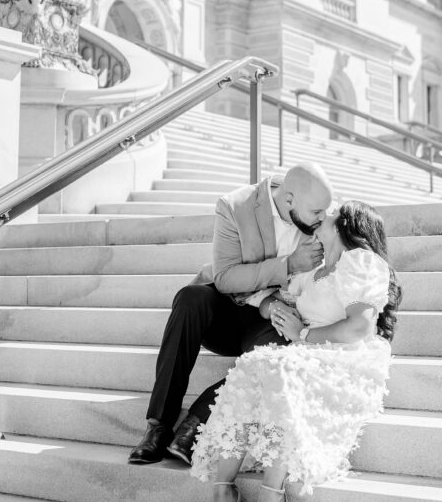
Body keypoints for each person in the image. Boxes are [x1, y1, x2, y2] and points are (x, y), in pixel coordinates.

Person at [190, 200, 402, 502]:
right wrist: (215, 273)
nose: (319, 214)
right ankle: (223, 492)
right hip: (309, 353)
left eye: (328, 212)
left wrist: (302, 335)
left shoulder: (361, 262)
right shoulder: (313, 274)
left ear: (347, 224)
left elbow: (359, 327)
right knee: (252, 364)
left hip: (346, 360)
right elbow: (266, 295)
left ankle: (272, 499)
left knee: (279, 367)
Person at [128, 162, 333, 466]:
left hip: (274, 319)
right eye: (316, 213)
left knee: (276, 356)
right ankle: (158, 425)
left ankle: (196, 422)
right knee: (190, 299)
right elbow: (225, 278)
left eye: (324, 212)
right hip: (230, 310)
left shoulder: (318, 212)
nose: (323, 219)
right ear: (289, 200)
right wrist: (287, 266)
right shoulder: (235, 206)